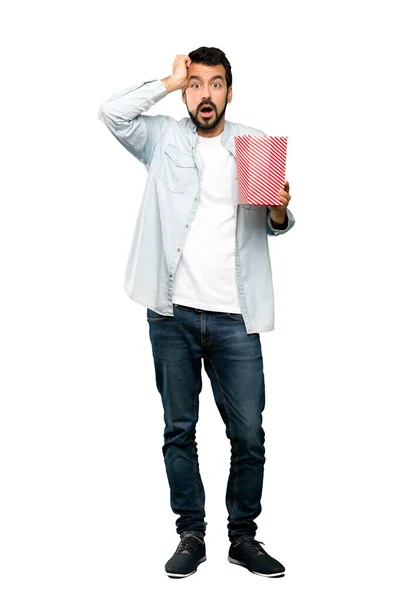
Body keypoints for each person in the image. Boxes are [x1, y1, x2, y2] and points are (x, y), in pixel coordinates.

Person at [98, 46, 295, 579]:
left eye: (215, 85)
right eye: (195, 84)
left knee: (248, 433)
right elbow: (112, 113)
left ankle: (243, 538)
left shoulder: (254, 146)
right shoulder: (161, 139)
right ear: (186, 89)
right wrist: (167, 80)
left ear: (230, 91)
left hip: (235, 317)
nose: (204, 95)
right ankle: (191, 534)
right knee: (178, 429)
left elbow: (273, 225)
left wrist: (278, 210)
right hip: (172, 315)